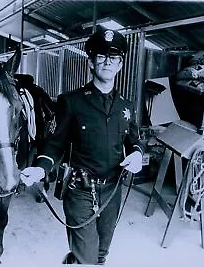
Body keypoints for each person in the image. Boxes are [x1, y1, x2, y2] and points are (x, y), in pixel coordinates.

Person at [20, 28, 144, 265]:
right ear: (91, 62)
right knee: (88, 258)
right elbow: (54, 145)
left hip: (112, 191)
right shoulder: (72, 102)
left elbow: (134, 140)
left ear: (120, 65)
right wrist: (40, 169)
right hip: (80, 190)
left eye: (114, 57)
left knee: (100, 254)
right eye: (101, 56)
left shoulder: (125, 107)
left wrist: (137, 154)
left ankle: (74, 259)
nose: (107, 62)